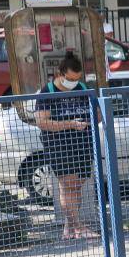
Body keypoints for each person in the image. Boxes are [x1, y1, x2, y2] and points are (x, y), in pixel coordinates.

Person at [34, 52, 98, 241]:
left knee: (76, 186)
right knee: (67, 184)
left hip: (83, 144)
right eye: (70, 79)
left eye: (77, 79)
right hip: (59, 146)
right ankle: (79, 227)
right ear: (59, 74)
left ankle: (69, 227)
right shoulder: (48, 92)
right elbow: (42, 122)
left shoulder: (84, 87)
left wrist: (89, 120)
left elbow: (98, 113)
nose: (74, 83)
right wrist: (70, 124)